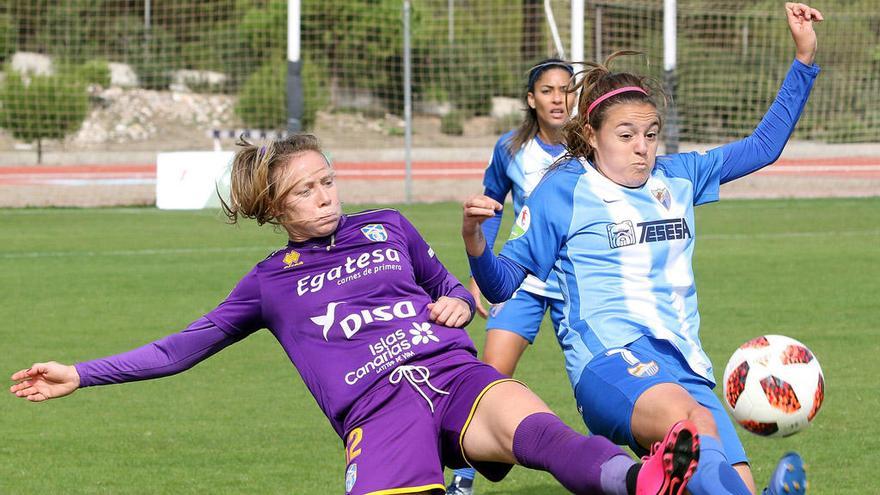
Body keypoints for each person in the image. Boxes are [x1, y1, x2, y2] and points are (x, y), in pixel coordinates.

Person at [10, 134, 699, 495]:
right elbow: (177, 350)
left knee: (538, 429)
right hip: (378, 411)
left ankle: (639, 478)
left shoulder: (390, 226)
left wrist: (461, 296)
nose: (324, 197)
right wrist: (81, 372)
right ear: (279, 210)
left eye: (327, 182)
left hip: (452, 374)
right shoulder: (267, 284)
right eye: (305, 192)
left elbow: (464, 286)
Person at [462, 3, 822, 495]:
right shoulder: (562, 191)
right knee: (691, 426)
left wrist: (803, 59)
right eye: (627, 135)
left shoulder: (679, 176)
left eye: (651, 135)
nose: (642, 148)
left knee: (732, 481)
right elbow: (502, 283)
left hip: (685, 364)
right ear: (590, 135)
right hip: (608, 361)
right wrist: (475, 242)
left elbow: (763, 146)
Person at [447, 57, 576, 495]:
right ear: (531, 99)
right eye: (548, 90)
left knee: (596, 385)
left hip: (577, 284)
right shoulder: (510, 150)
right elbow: (488, 209)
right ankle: (462, 480)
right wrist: (479, 274)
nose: (558, 98)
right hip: (519, 281)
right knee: (490, 376)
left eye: (566, 89)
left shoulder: (591, 147)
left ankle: (646, 469)